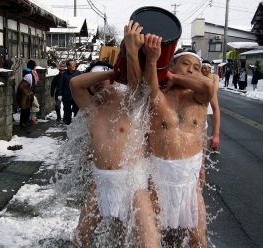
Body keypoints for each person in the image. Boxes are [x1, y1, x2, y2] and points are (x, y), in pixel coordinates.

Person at [127, 20, 214, 248]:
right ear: (171, 66)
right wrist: (154, 61)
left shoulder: (199, 99)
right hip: (158, 181)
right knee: (149, 240)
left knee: (198, 241)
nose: (191, 70)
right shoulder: (161, 99)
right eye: (185, 64)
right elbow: (147, 89)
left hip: (189, 183)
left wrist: (174, 78)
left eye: (196, 67)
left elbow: (207, 87)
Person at [70, 60, 159, 247]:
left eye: (102, 80)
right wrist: (107, 74)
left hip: (133, 183)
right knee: (81, 237)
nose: (96, 86)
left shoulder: (129, 105)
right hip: (102, 183)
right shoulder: (91, 109)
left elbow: (143, 89)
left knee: (148, 242)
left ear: (115, 80)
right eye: (93, 84)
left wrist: (114, 75)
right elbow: (75, 84)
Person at [201, 60, 221, 153]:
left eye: (206, 68)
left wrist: (209, 85)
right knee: (204, 122)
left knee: (214, 122)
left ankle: (213, 142)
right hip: (203, 100)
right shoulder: (199, 76)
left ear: (210, 68)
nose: (204, 70)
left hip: (211, 99)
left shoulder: (214, 76)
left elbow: (216, 89)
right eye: (202, 68)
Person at [57, 59, 81, 125]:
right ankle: (68, 124)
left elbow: (82, 84)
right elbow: (60, 85)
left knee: (77, 111)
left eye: (74, 64)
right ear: (68, 66)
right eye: (72, 64)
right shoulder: (64, 75)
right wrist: (59, 94)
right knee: (67, 111)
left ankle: (76, 125)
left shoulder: (78, 73)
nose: (74, 66)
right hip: (67, 95)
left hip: (76, 96)